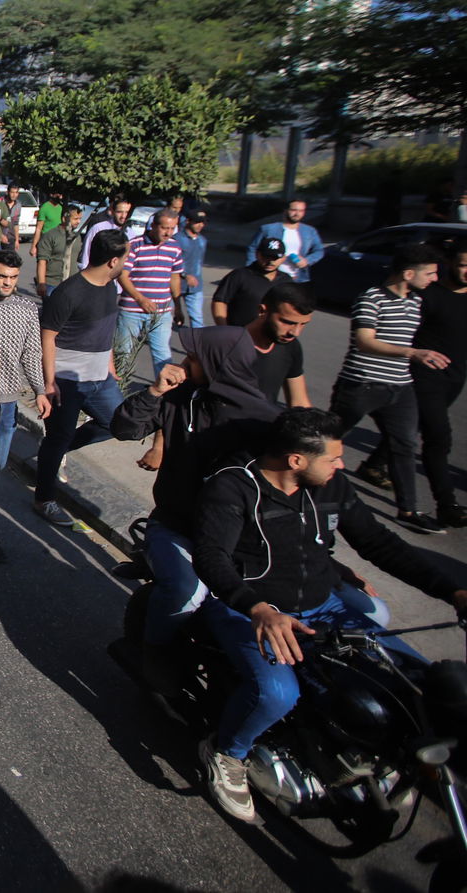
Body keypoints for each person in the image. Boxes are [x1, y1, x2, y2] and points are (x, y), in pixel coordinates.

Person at [191, 407, 467, 823]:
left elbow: (381, 544)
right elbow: (211, 557)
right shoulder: (234, 487)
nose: (342, 464)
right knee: (277, 694)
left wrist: (453, 591)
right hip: (247, 609)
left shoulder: (330, 487)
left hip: (326, 606)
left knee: (413, 676)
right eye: (333, 458)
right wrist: (257, 608)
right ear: (296, 460)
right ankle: (227, 753)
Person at [111, 327, 279, 693]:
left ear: (219, 363)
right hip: (174, 525)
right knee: (187, 593)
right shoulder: (179, 398)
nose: (184, 360)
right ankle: (151, 649)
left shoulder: (262, 422)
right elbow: (123, 427)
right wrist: (154, 392)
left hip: (235, 537)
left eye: (195, 356)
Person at [334, 243, 453, 534]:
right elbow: (364, 340)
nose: (434, 279)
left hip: (400, 388)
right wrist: (412, 353)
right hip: (361, 384)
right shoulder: (371, 298)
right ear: (408, 273)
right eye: (430, 273)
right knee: (328, 438)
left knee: (405, 445)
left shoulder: (416, 301)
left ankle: (408, 510)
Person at [32, 229, 129, 527]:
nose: (128, 261)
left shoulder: (110, 287)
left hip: (101, 378)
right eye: (126, 256)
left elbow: (105, 331)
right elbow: (47, 337)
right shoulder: (69, 292)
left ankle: (58, 451)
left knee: (120, 423)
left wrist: (111, 366)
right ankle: (44, 499)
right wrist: (49, 383)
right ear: (113, 260)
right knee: (57, 437)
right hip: (67, 380)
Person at [0, 250, 49, 563]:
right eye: (2, 276)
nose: (7, 283)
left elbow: (32, 353)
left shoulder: (27, 309)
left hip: (6, 403)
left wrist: (41, 391)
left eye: (13, 278)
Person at [115, 209, 185, 376]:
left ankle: (163, 395)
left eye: (172, 228)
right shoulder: (135, 245)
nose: (168, 233)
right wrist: (140, 299)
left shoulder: (174, 248)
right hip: (132, 311)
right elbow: (122, 276)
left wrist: (178, 307)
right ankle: (118, 393)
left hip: (161, 312)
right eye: (164, 228)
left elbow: (174, 279)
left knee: (162, 356)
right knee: (123, 353)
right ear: (153, 225)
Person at [246, 281, 315, 408]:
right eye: (287, 322)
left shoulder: (291, 347)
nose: (295, 332)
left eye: (303, 324)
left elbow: (299, 403)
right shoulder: (225, 345)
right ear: (262, 311)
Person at [212, 237, 286, 327]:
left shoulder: (286, 280)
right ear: (257, 254)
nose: (270, 262)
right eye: (266, 257)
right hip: (240, 334)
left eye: (275, 258)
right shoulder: (239, 275)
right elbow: (219, 301)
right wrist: (224, 328)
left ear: (283, 258)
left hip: (272, 336)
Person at [246, 199, 323, 283]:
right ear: (285, 210)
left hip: (298, 278)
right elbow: (253, 248)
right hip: (271, 276)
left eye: (301, 211)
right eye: (294, 210)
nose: (297, 214)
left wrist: (307, 260)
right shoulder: (268, 229)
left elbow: (319, 250)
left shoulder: (309, 231)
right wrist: (252, 270)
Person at [34, 204, 83, 299]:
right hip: (52, 284)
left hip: (72, 284)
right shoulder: (50, 236)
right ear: (64, 218)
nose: (78, 222)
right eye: (75, 219)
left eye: (80, 219)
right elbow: (42, 261)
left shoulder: (77, 237)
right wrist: (41, 283)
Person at [174, 211, 209, 328]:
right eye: (197, 222)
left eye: (203, 222)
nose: (200, 225)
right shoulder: (176, 240)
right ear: (188, 221)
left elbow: (199, 263)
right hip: (174, 285)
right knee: (164, 318)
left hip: (195, 287)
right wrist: (185, 275)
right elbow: (171, 264)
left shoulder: (202, 240)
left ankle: (199, 344)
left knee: (197, 318)